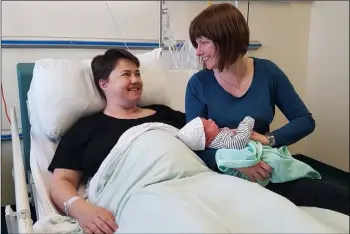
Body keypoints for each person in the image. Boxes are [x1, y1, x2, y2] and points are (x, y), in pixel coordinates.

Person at [185, 3, 349, 215]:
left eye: (203, 43)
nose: (198, 52)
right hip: (225, 176)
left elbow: (304, 120)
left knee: (338, 195)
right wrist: (236, 164)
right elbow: (195, 146)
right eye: (196, 44)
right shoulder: (198, 84)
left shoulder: (268, 73)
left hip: (268, 167)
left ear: (227, 38)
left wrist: (268, 139)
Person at [47, 48, 186, 234]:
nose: (136, 80)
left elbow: (200, 134)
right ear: (104, 83)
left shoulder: (163, 113)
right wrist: (82, 210)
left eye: (137, 73)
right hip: (137, 199)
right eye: (126, 74)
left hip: (186, 185)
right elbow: (60, 181)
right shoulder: (86, 127)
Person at [177, 116, 255, 150]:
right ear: (207, 140)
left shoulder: (218, 136)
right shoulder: (221, 139)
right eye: (208, 124)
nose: (210, 120)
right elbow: (239, 142)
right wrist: (247, 122)